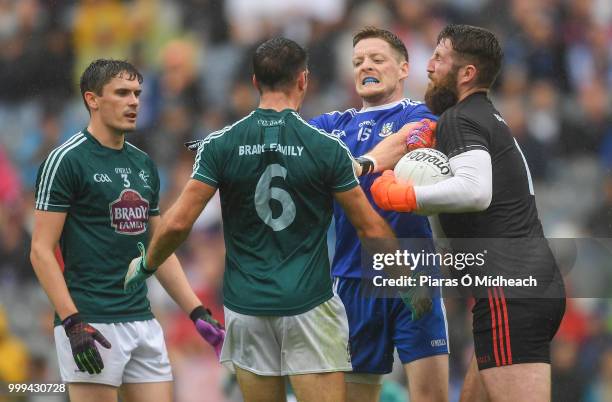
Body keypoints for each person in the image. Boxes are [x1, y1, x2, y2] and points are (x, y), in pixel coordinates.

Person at [123, 37, 396, 402]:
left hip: (246, 309)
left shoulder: (220, 144)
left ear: (254, 82)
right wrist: (409, 283)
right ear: (303, 80)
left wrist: (145, 264)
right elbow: (371, 227)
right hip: (309, 306)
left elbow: (177, 224)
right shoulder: (326, 148)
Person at [371, 24, 566, 402]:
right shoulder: (486, 117)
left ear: (467, 73)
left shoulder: (460, 118)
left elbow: (476, 193)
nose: (428, 66)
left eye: (439, 58)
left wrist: (407, 195)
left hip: (508, 290)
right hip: (524, 285)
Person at [30, 59, 224, 402]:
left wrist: (197, 312)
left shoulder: (143, 164)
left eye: (136, 93)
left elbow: (158, 248)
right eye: (122, 93)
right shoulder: (66, 161)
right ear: (92, 99)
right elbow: (40, 251)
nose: (133, 101)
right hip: (90, 323)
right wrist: (72, 320)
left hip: (142, 321)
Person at [308, 27, 449, 402]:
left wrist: (362, 164)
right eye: (357, 62)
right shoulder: (334, 126)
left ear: (404, 68)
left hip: (415, 275)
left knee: (432, 396)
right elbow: (289, 137)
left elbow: (409, 139)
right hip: (353, 280)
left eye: (376, 59)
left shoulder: (419, 114)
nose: (365, 67)